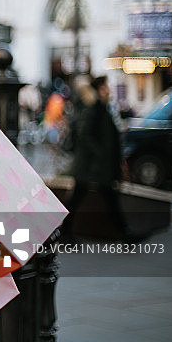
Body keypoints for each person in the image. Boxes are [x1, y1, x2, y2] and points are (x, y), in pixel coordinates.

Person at [61, 76, 144, 243]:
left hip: (96, 165)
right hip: (93, 166)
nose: (109, 90)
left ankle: (124, 233)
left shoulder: (101, 107)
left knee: (103, 198)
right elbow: (85, 134)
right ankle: (64, 232)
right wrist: (101, 155)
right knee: (88, 197)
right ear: (98, 89)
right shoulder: (93, 107)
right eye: (105, 87)